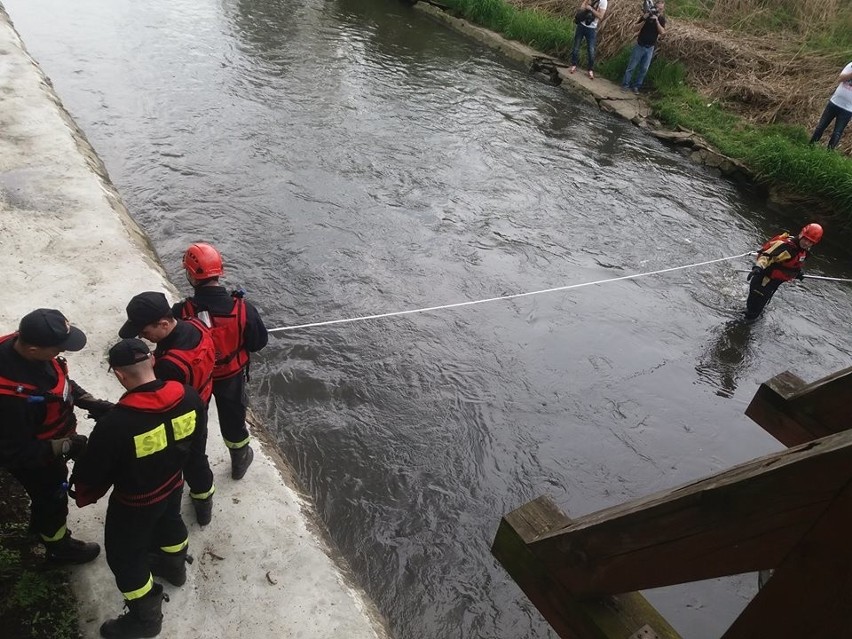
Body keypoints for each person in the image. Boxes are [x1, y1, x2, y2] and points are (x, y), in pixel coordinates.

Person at [70, 338, 207, 639]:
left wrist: (78, 459)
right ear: (153, 361)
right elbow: (194, 442)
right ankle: (174, 568)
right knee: (171, 524)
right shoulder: (189, 396)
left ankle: (146, 619)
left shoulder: (116, 425)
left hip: (135, 502)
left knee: (125, 557)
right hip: (173, 483)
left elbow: (93, 474)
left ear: (119, 375)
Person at [0, 308, 111, 564]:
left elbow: (59, 384)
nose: (60, 353)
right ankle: (57, 545)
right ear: (32, 349)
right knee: (52, 496)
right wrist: (62, 447)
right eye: (57, 349)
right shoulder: (11, 401)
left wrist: (90, 402)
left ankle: (39, 523)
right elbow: (12, 453)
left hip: (50, 436)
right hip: (36, 459)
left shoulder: (32, 353)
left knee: (46, 497)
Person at [119, 291, 216, 526]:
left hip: (183, 416)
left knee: (185, 460)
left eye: (145, 331)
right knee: (198, 457)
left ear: (163, 323)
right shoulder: (196, 325)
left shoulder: (169, 365)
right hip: (203, 398)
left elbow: (163, 400)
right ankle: (204, 501)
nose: (143, 337)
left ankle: (199, 504)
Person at [173, 243, 268, 482]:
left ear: (191, 275)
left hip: (198, 382)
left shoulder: (182, 311)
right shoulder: (243, 308)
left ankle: (198, 477)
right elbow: (258, 343)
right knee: (234, 421)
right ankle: (239, 462)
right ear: (218, 272)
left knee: (196, 427)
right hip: (231, 377)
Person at [744, 223, 823, 321]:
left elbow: (792, 264)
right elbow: (766, 256)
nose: (806, 243)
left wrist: (797, 273)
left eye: (810, 242)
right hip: (763, 281)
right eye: (806, 239)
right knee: (752, 314)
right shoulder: (786, 246)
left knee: (757, 311)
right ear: (801, 234)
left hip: (772, 284)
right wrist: (757, 267)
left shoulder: (805, 251)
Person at [621, 0, 667, 94]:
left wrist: (656, 21)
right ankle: (625, 85)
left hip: (650, 47)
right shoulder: (645, 16)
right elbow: (635, 28)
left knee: (644, 69)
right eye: (658, 8)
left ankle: (636, 86)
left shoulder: (661, 19)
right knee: (631, 67)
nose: (659, 10)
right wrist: (645, 20)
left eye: (661, 9)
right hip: (640, 45)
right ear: (654, 6)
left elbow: (662, 32)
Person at [809, 61, 852, 150]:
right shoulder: (851, 65)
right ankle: (810, 147)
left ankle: (828, 154)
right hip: (834, 102)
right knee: (821, 127)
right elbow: (840, 78)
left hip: (848, 109)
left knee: (837, 132)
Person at [568, 0, 608, 80]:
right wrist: (586, 7)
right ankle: (574, 65)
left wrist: (591, 9)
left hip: (591, 28)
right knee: (576, 47)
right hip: (581, 25)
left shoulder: (603, 1)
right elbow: (582, 7)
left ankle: (590, 70)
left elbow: (601, 16)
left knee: (591, 50)